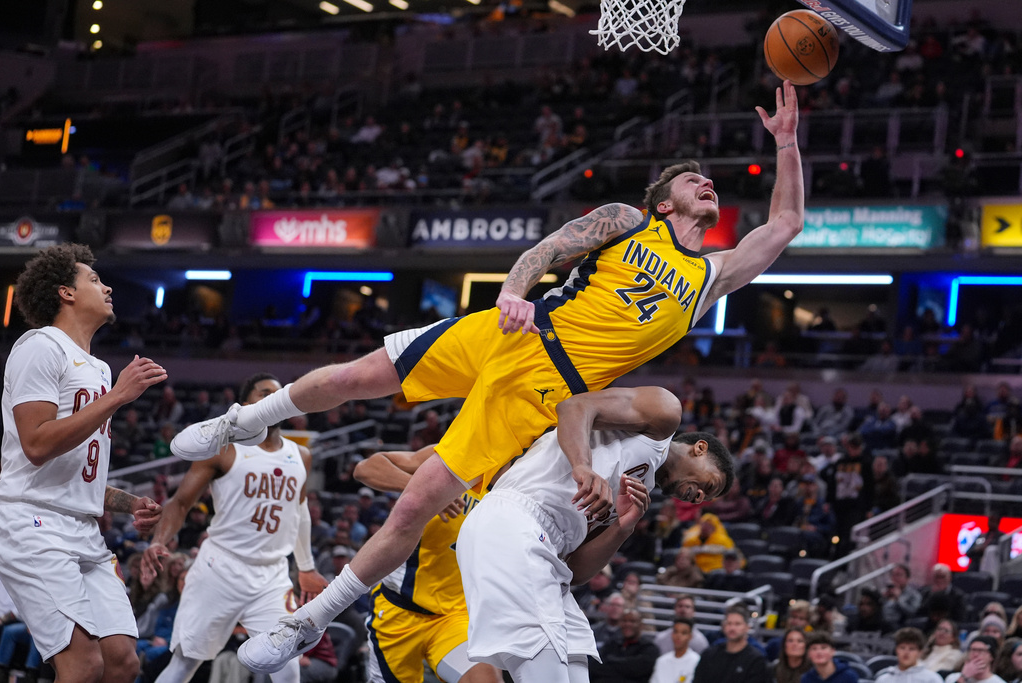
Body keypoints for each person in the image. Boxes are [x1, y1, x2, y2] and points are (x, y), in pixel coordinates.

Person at [181, 81, 804, 672]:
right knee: (359, 375)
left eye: (710, 180)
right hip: (520, 328)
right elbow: (549, 249)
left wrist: (785, 141)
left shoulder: (709, 279)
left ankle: (308, 623)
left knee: (421, 498)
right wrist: (512, 290)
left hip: (544, 385)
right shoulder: (627, 219)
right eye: (693, 178)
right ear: (664, 201)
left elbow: (783, 226)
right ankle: (239, 422)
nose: (709, 182)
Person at [455, 387, 733, 682]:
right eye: (710, 485)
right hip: (516, 519)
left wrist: (622, 528)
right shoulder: (664, 414)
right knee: (543, 665)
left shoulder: (640, 494)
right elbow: (574, 407)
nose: (700, 496)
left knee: (576, 669)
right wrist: (582, 466)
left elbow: (574, 571)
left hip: (549, 553)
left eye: (706, 498)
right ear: (699, 448)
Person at [0, 244, 167, 683]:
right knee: (83, 664)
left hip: (82, 528)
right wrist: (116, 399)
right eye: (93, 279)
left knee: (122, 662)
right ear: (65, 293)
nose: (107, 285)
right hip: (31, 523)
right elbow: (35, 444)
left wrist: (129, 503)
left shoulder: (99, 368)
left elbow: (73, 472)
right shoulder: (39, 346)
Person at [139, 373, 330, 683]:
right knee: (184, 665)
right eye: (264, 392)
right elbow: (180, 502)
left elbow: (300, 510)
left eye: (278, 394)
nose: (273, 399)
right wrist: (159, 540)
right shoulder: (223, 448)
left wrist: (306, 566)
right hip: (220, 567)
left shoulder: (301, 455)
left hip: (272, 575)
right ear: (245, 403)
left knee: (288, 670)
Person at [351, 444, 501, 683]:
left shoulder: (521, 480)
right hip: (398, 612)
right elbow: (365, 468)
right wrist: (427, 492)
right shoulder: (456, 451)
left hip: (454, 616)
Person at [691, 605, 768, 683]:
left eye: (737, 624)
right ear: (723, 627)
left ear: (747, 627)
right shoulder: (709, 654)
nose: (732, 628)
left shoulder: (756, 660)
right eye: (729, 623)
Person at [590, 608, 661, 683]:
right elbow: (594, 666)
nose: (627, 624)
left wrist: (609, 661)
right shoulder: (611, 644)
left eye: (632, 621)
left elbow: (638, 670)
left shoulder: (649, 648)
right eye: (624, 621)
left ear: (641, 625)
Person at [874, 627, 944, 683]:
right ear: (896, 650)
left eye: (912, 649)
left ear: (920, 652)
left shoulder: (932, 679)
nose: (906, 652)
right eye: (902, 648)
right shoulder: (883, 679)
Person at [650, 617, 701, 683]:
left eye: (683, 633)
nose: (678, 636)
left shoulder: (696, 661)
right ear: (672, 634)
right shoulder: (661, 661)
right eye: (676, 632)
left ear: (690, 636)